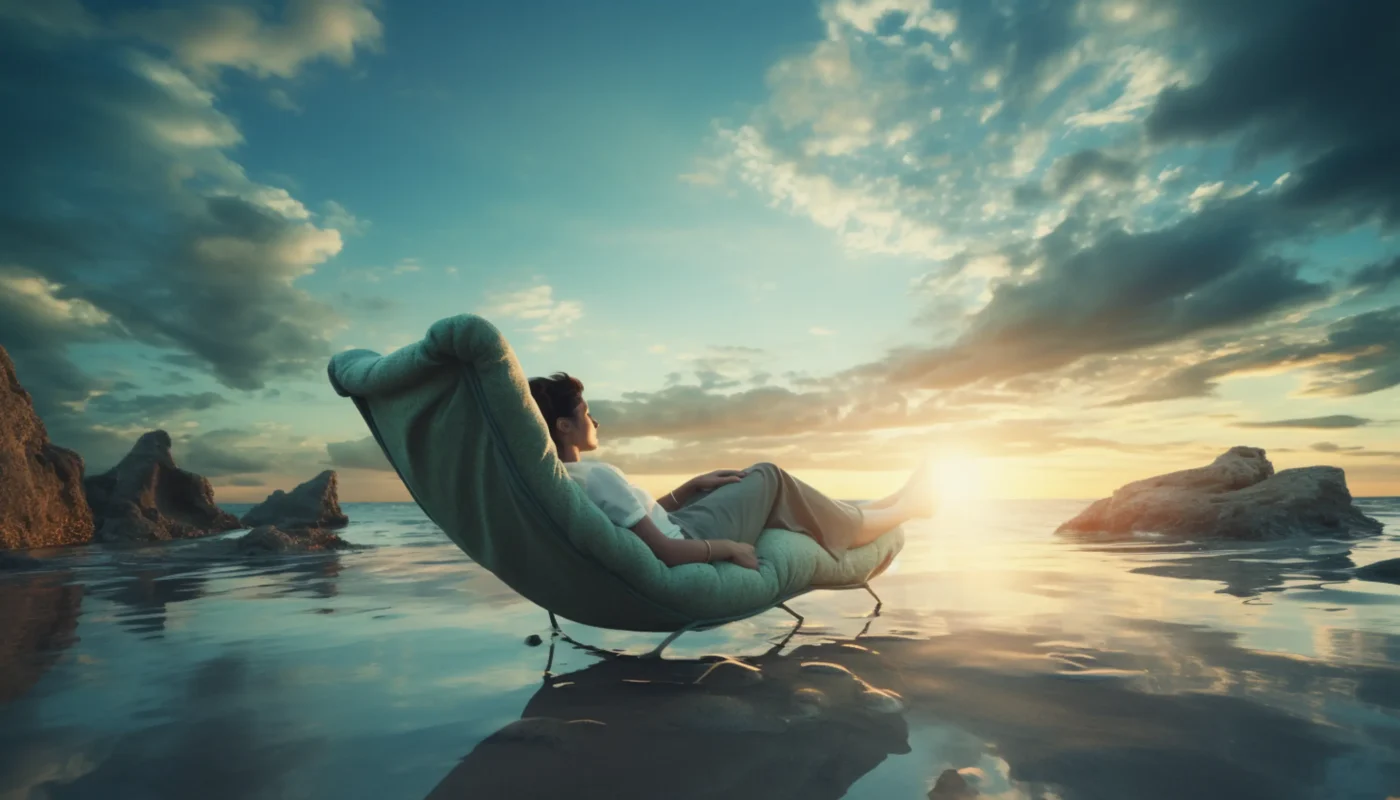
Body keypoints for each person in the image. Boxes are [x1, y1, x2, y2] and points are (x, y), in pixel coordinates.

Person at [528, 372, 936, 572]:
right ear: (563, 426)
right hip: (691, 538)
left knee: (751, 483)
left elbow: (635, 520)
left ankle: (881, 505)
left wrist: (689, 488)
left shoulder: (567, 482)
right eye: (585, 413)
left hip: (679, 520)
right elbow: (665, 551)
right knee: (768, 477)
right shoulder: (596, 477)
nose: (595, 421)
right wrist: (729, 548)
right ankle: (900, 510)